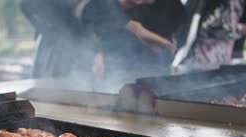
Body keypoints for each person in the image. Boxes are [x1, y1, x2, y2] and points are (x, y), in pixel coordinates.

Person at [22, 0, 177, 84]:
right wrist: (92, 50)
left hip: (96, 61)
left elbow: (103, 10)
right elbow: (32, 5)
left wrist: (134, 28)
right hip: (60, 51)